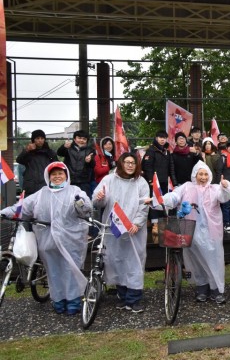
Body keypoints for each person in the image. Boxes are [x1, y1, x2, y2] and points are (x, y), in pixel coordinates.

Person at [1, 162, 92, 315]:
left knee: (71, 270)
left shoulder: (75, 191)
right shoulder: (41, 194)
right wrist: (4, 212)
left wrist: (80, 203)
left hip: (71, 240)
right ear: (48, 176)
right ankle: (58, 300)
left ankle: (73, 301)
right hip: (48, 241)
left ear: (66, 175)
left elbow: (86, 210)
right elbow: (22, 208)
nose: (57, 177)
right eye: (54, 174)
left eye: (60, 174)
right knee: (53, 271)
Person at [159, 161, 230, 304]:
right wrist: (161, 200)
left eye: (206, 174)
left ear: (210, 176)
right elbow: (174, 196)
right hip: (192, 230)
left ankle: (217, 290)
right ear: (195, 175)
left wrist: (226, 187)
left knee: (214, 260)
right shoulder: (186, 187)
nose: (203, 177)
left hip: (212, 231)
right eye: (200, 174)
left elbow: (224, 197)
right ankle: (201, 288)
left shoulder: (215, 188)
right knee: (195, 260)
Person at [92, 153, 149, 312]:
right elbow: (97, 201)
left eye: (133, 163)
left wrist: (137, 222)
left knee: (134, 262)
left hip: (133, 230)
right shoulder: (109, 179)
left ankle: (134, 298)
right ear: (121, 163)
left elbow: (144, 205)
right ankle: (122, 296)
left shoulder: (141, 182)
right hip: (113, 228)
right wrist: (100, 197)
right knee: (116, 260)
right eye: (127, 162)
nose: (130, 165)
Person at [142, 130, 177, 243]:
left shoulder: (167, 151)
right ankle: (155, 225)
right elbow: (147, 166)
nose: (162, 140)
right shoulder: (151, 150)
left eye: (164, 138)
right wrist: (150, 180)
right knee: (154, 203)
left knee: (164, 203)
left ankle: (163, 225)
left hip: (165, 182)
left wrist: (174, 182)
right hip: (154, 182)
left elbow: (171, 168)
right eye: (160, 137)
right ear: (156, 138)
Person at [16, 129, 58, 197]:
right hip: (31, 187)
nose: (40, 140)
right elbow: (19, 160)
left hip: (46, 185)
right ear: (33, 140)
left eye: (42, 138)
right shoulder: (29, 152)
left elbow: (57, 167)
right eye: (37, 138)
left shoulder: (50, 153)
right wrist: (27, 150)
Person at [57, 130, 95, 197]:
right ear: (74, 139)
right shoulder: (69, 148)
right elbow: (59, 153)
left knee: (84, 202)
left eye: (84, 139)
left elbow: (93, 165)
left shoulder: (90, 150)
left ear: (87, 140)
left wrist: (89, 161)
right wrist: (64, 146)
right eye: (79, 138)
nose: (81, 140)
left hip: (83, 182)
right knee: (69, 201)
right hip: (69, 181)